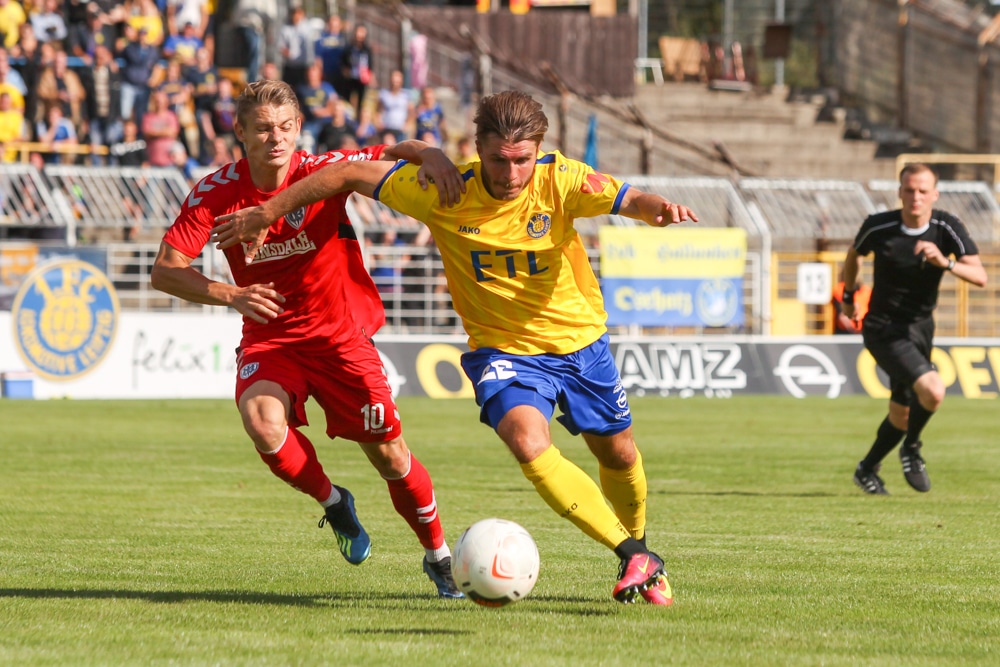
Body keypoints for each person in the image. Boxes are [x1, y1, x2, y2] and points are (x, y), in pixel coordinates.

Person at [210, 89, 699, 606]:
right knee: (527, 441)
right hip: (502, 351)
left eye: (522, 161)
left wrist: (656, 211)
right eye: (498, 160)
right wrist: (268, 212)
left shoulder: (562, 180)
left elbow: (627, 197)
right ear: (477, 150)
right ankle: (631, 555)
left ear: (539, 151)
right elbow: (345, 175)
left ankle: (641, 548)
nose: (511, 174)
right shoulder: (444, 190)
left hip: (580, 345)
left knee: (618, 452)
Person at [149, 79, 468, 598]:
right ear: (240, 132)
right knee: (262, 423)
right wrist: (231, 294)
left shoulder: (324, 171)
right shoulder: (215, 191)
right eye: (262, 129)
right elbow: (165, 272)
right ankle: (334, 503)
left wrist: (432, 153)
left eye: (285, 127)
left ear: (298, 128)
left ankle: (438, 555)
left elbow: (394, 149)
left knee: (391, 457)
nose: (276, 138)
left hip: (341, 339)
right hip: (271, 340)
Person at [843, 163, 987, 495]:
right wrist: (849, 297)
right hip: (883, 327)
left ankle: (866, 469)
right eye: (909, 190)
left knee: (901, 414)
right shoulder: (879, 226)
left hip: (921, 327)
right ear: (899, 192)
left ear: (934, 194)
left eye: (923, 191)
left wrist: (945, 262)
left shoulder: (945, 228)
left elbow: (980, 276)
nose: (915, 197)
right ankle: (912, 448)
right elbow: (854, 255)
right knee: (934, 390)